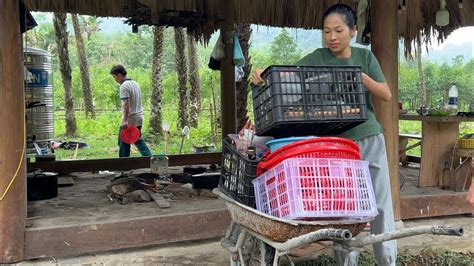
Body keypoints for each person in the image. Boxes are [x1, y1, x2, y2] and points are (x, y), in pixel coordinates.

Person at [252, 4, 397, 265]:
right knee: (346, 208)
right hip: (337, 145)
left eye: (339, 30)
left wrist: (360, 78)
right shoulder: (317, 57)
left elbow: (385, 94)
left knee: (381, 207)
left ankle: (387, 261)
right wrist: (263, 74)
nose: (332, 37)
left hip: (368, 137)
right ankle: (346, 262)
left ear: (352, 31)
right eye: (327, 31)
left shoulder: (364, 58)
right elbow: (287, 77)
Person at [110, 65, 152, 157]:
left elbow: (126, 104)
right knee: (137, 139)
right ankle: (150, 158)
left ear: (119, 74)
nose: (115, 79)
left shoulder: (124, 86)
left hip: (130, 118)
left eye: (114, 76)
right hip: (139, 117)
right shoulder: (134, 83)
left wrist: (125, 120)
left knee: (123, 141)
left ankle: (124, 164)